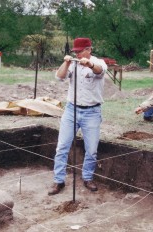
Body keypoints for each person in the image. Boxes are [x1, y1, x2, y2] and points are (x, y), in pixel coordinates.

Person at [48, 37, 107, 195]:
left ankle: (87, 177)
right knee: (62, 146)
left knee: (91, 149)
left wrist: (89, 64)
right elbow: (59, 77)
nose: (78, 54)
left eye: (80, 51)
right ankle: (58, 180)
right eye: (75, 52)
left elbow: (99, 71)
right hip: (71, 110)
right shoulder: (73, 63)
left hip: (92, 112)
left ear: (89, 49)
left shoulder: (98, 62)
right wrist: (67, 62)